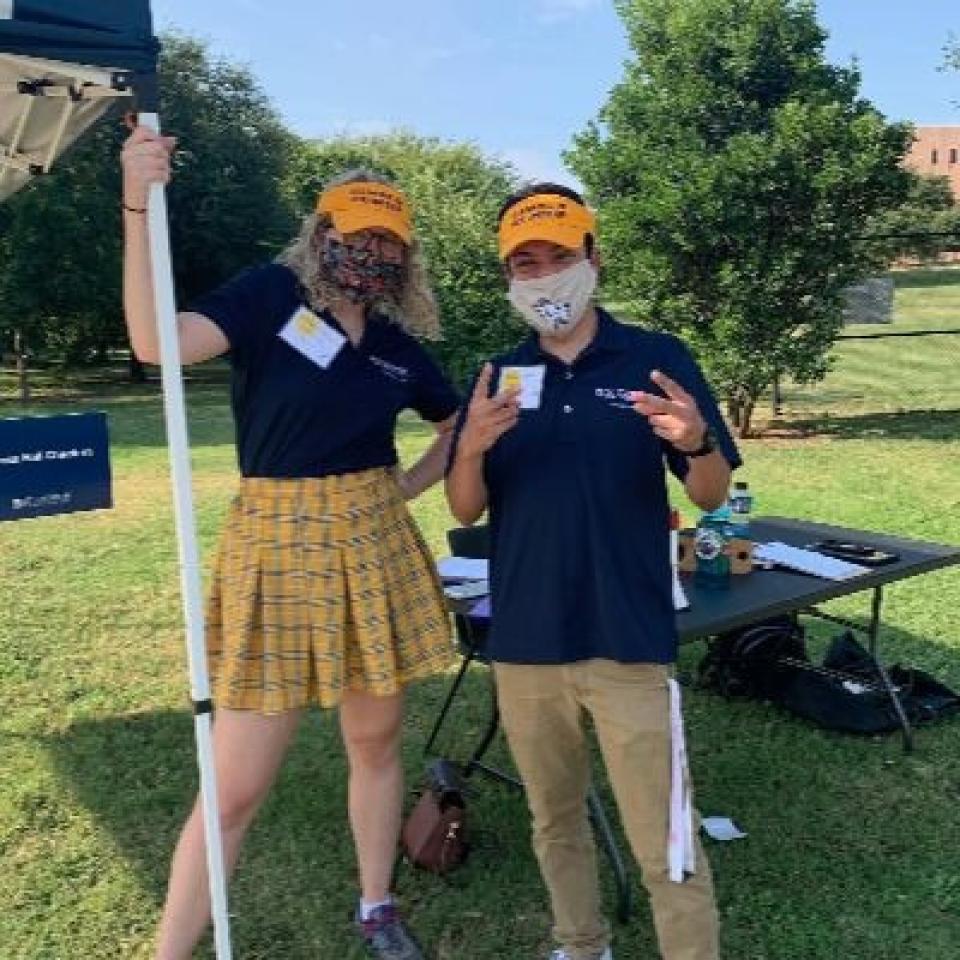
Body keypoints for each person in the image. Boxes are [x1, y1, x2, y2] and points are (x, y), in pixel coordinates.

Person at [121, 126, 460, 960]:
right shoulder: (271, 296)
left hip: (373, 544)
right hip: (276, 546)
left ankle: (376, 905)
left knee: (375, 743)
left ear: (405, 257)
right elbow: (157, 344)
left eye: (388, 240)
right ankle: (169, 952)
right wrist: (135, 204)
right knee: (235, 787)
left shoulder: (397, 347)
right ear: (320, 231)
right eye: (355, 232)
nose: (370, 251)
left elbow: (455, 427)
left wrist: (404, 489)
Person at [446, 184, 741, 960]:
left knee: (664, 835)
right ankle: (581, 945)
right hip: (526, 641)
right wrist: (469, 449)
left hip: (627, 636)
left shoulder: (655, 358)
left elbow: (710, 496)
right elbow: (467, 507)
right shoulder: (499, 375)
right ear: (509, 276)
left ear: (593, 259)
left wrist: (697, 441)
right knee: (554, 819)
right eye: (526, 262)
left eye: (560, 256)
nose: (545, 274)